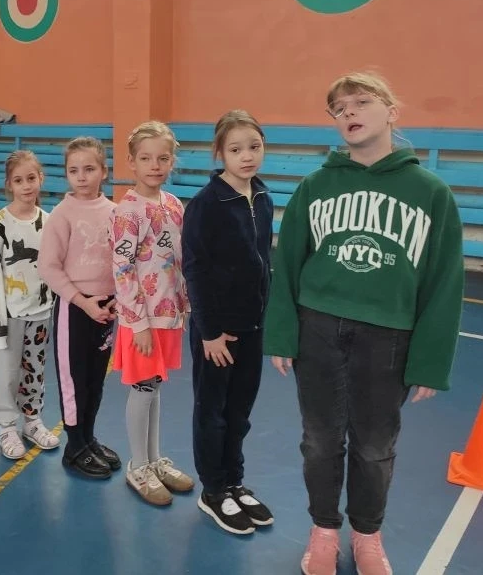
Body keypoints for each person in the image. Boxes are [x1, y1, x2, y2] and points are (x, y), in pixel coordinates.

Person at [264, 72, 464, 575]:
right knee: (320, 440)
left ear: (391, 112)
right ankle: (323, 529)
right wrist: (282, 333)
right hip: (318, 329)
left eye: (361, 101)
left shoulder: (430, 192)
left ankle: (368, 534)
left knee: (375, 446)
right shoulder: (316, 186)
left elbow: (444, 281)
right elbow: (287, 263)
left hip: (388, 337)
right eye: (339, 107)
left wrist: (430, 360)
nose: (349, 112)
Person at [182, 110, 274, 533]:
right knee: (212, 412)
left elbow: (263, 261)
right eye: (236, 149)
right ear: (220, 153)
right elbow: (195, 270)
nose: (247, 156)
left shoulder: (263, 197)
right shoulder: (206, 204)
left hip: (253, 326)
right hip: (217, 332)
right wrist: (209, 332)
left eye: (254, 147)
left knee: (240, 411)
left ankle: (234, 481)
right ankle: (213, 490)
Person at [110, 121, 194, 506]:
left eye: (163, 158)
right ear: (132, 162)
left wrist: (184, 304)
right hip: (140, 319)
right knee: (143, 388)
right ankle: (138, 465)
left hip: (168, 314)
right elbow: (122, 268)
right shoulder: (127, 211)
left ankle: (155, 458)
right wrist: (139, 323)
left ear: (172, 161)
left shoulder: (174, 204)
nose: (155, 166)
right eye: (146, 158)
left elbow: (180, 259)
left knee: (154, 386)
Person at [38, 136, 119, 479]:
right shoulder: (62, 214)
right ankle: (74, 447)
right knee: (74, 380)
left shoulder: (115, 212)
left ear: (104, 171)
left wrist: (116, 298)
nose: (82, 176)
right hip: (75, 310)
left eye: (89, 169)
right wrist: (82, 301)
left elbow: (122, 261)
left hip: (106, 309)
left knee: (96, 379)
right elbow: (48, 267)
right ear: (67, 174)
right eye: (74, 170)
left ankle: (88, 437)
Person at [0, 151, 60, 459]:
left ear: (41, 179)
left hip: (41, 312)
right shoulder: (0, 224)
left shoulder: (49, 221)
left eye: (31, 178)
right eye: (19, 180)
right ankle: (7, 426)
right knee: (6, 372)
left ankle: (32, 420)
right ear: (9, 185)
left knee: (34, 369)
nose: (26, 185)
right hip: (9, 315)